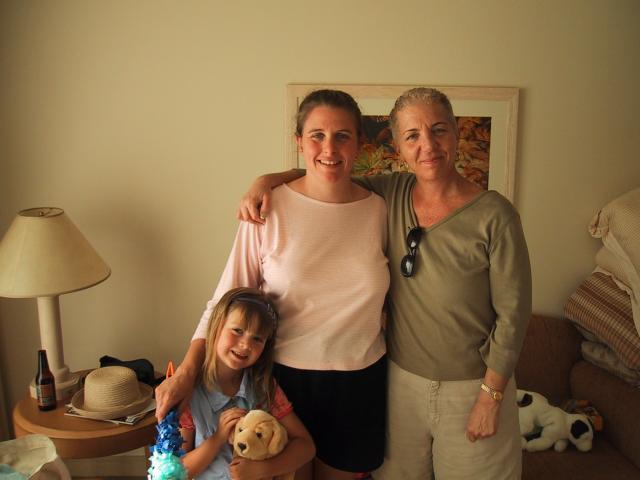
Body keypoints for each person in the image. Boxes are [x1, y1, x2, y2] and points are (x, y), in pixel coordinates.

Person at [236, 87, 532, 480]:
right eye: (412, 135)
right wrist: (266, 181)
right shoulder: (391, 192)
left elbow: (514, 315)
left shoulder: (495, 215)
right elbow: (326, 170)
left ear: (456, 132)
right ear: (397, 146)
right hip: (400, 383)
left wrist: (491, 396)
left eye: (438, 130)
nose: (428, 145)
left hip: (472, 386)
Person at [157, 89, 390, 479]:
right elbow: (223, 301)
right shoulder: (269, 207)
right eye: (316, 135)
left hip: (358, 381)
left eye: (342, 136)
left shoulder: (379, 209)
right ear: (299, 142)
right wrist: (186, 371)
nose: (329, 148)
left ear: (359, 143)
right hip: (280, 382)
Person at [179, 287, 315, 479]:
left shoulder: (264, 387)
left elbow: (306, 446)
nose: (245, 344)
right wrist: (217, 439)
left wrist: (263, 469)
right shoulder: (188, 393)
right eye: (237, 331)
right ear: (216, 327)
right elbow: (174, 471)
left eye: (257, 338)